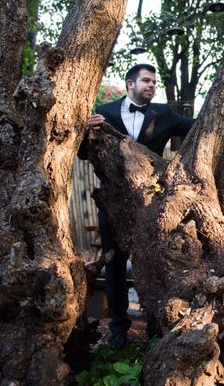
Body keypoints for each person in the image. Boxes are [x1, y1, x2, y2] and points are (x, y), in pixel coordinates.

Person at [83, 63, 194, 349]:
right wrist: (86, 131)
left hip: (150, 204)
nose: (152, 85)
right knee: (114, 264)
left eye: (154, 82)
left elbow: (197, 128)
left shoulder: (164, 114)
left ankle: (157, 326)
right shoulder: (103, 112)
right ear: (129, 84)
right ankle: (119, 327)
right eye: (146, 81)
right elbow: (84, 153)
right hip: (112, 203)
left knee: (156, 263)